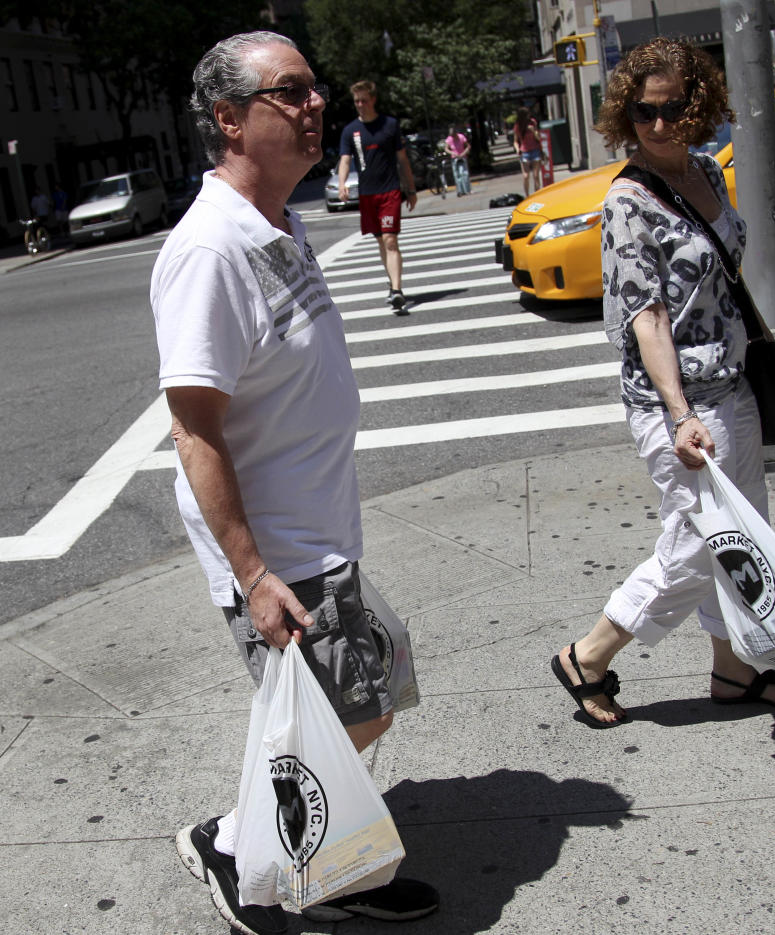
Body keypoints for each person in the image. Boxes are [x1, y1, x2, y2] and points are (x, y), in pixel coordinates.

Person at [151, 31, 438, 935]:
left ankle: (299, 847)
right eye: (291, 92)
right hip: (279, 552)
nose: (316, 103)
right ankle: (240, 846)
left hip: (320, 531)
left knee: (367, 690)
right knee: (348, 707)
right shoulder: (211, 251)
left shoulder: (278, 216)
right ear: (229, 120)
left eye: (314, 87)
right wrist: (251, 572)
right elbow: (194, 430)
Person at [549, 37, 775, 727]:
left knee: (744, 534)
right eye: (643, 112)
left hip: (734, 385)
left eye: (672, 110)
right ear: (624, 114)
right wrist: (677, 411)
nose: (658, 125)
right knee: (699, 544)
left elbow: (724, 280)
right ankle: (589, 655)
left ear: (696, 109)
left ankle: (734, 669)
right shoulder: (628, 202)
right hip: (680, 400)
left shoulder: (706, 172)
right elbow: (648, 316)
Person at [338, 79, 417, 314]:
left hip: (390, 191)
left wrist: (410, 189)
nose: (360, 105)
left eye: (363, 100)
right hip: (367, 194)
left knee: (390, 239)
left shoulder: (390, 125)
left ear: (373, 99)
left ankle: (397, 290)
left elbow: (402, 160)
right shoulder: (350, 131)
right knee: (382, 241)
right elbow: (345, 159)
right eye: (356, 101)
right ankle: (392, 282)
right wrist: (342, 184)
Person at [512, 106, 541, 196]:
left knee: (536, 176)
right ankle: (527, 195)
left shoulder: (532, 122)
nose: (529, 116)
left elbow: (538, 138)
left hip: (535, 150)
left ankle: (537, 195)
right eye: (527, 114)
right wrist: (517, 149)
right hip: (525, 152)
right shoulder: (518, 126)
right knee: (526, 176)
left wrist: (533, 131)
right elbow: (516, 141)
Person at [443, 123, 471, 196]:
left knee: (464, 173)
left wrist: (464, 153)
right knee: (457, 175)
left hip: (462, 157)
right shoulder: (449, 139)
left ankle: (467, 190)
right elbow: (446, 149)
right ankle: (460, 191)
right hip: (455, 158)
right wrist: (452, 152)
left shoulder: (461, 137)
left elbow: (468, 146)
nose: (453, 137)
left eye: (454, 135)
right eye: (451, 135)